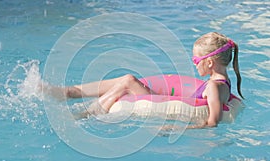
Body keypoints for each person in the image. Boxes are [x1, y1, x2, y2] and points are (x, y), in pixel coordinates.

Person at [41, 32, 244, 128]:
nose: (193, 63)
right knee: (125, 80)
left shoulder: (214, 88)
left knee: (128, 80)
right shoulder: (221, 83)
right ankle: (68, 92)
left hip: (163, 105)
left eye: (195, 59)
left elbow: (212, 123)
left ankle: (83, 114)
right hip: (166, 100)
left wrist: (174, 128)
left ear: (209, 62)